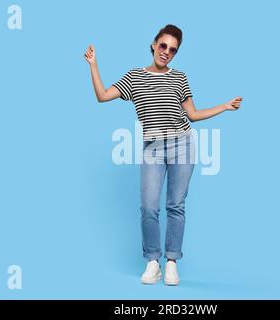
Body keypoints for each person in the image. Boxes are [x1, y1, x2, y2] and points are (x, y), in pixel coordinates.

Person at [84, 24, 242, 286]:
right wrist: (93, 65)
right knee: (148, 207)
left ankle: (171, 262)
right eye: (163, 45)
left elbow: (192, 114)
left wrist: (224, 106)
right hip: (153, 148)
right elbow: (102, 96)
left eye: (172, 49)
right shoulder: (134, 77)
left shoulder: (179, 78)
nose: (166, 51)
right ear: (154, 44)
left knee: (176, 206)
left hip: (182, 144)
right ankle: (152, 261)